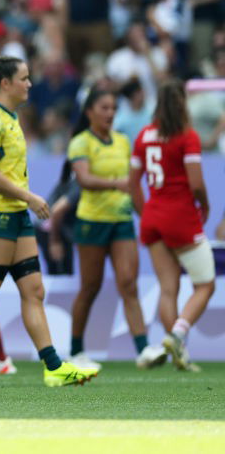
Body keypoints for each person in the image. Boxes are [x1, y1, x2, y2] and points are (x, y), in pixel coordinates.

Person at [0, 57, 97, 387]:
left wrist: (18, 198)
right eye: (24, 79)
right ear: (5, 84)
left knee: (33, 290)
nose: (29, 84)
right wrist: (31, 197)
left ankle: (53, 367)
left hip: (14, 217)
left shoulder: (8, 118)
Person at [60, 88, 166, 370]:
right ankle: (75, 350)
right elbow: (83, 179)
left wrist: (147, 219)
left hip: (121, 221)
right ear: (89, 112)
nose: (110, 114)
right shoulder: (80, 143)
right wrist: (116, 184)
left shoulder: (123, 142)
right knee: (90, 287)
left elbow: (134, 185)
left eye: (113, 109)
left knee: (128, 283)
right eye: (104, 108)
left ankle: (143, 349)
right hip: (92, 222)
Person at [129, 80, 216, 372]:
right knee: (205, 284)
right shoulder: (186, 136)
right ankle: (178, 334)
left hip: (153, 215)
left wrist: (148, 215)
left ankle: (181, 353)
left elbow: (132, 185)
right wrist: (205, 206)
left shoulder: (144, 135)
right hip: (180, 216)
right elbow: (196, 183)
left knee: (168, 288)